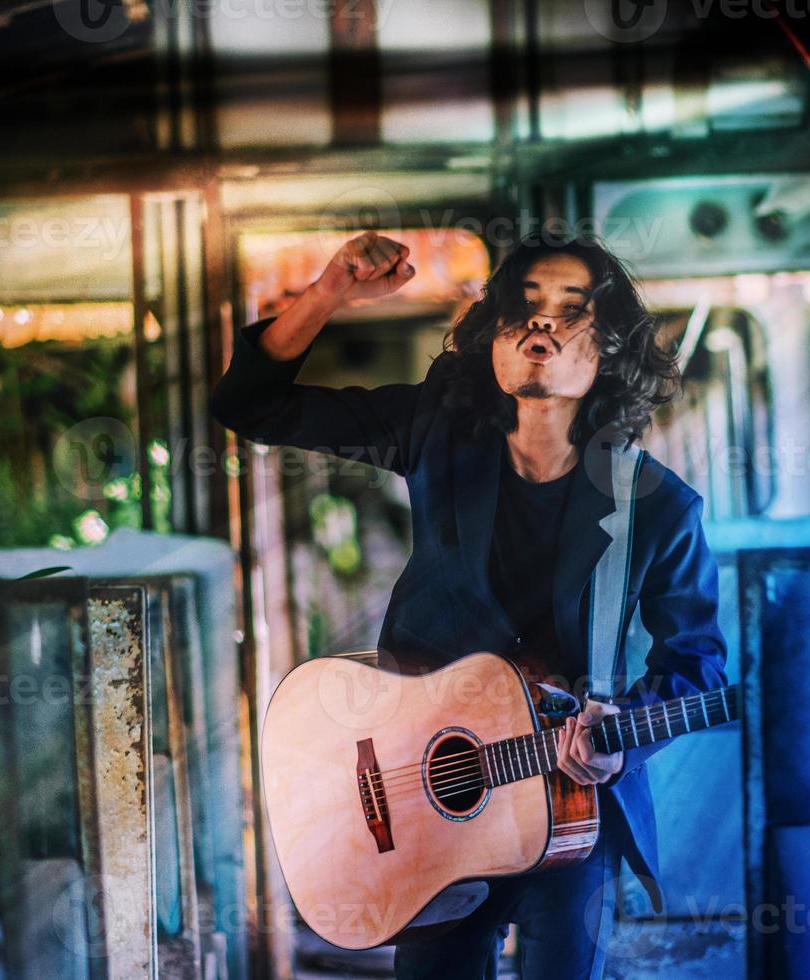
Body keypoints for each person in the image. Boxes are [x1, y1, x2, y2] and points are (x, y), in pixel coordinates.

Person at [210, 228, 728, 979]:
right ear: (492, 337)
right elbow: (249, 406)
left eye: (570, 309)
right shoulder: (434, 432)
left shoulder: (659, 505)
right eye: (524, 307)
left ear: (611, 344)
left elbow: (701, 668)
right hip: (424, 802)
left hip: (568, 808)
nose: (542, 324)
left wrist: (619, 741)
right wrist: (329, 291)